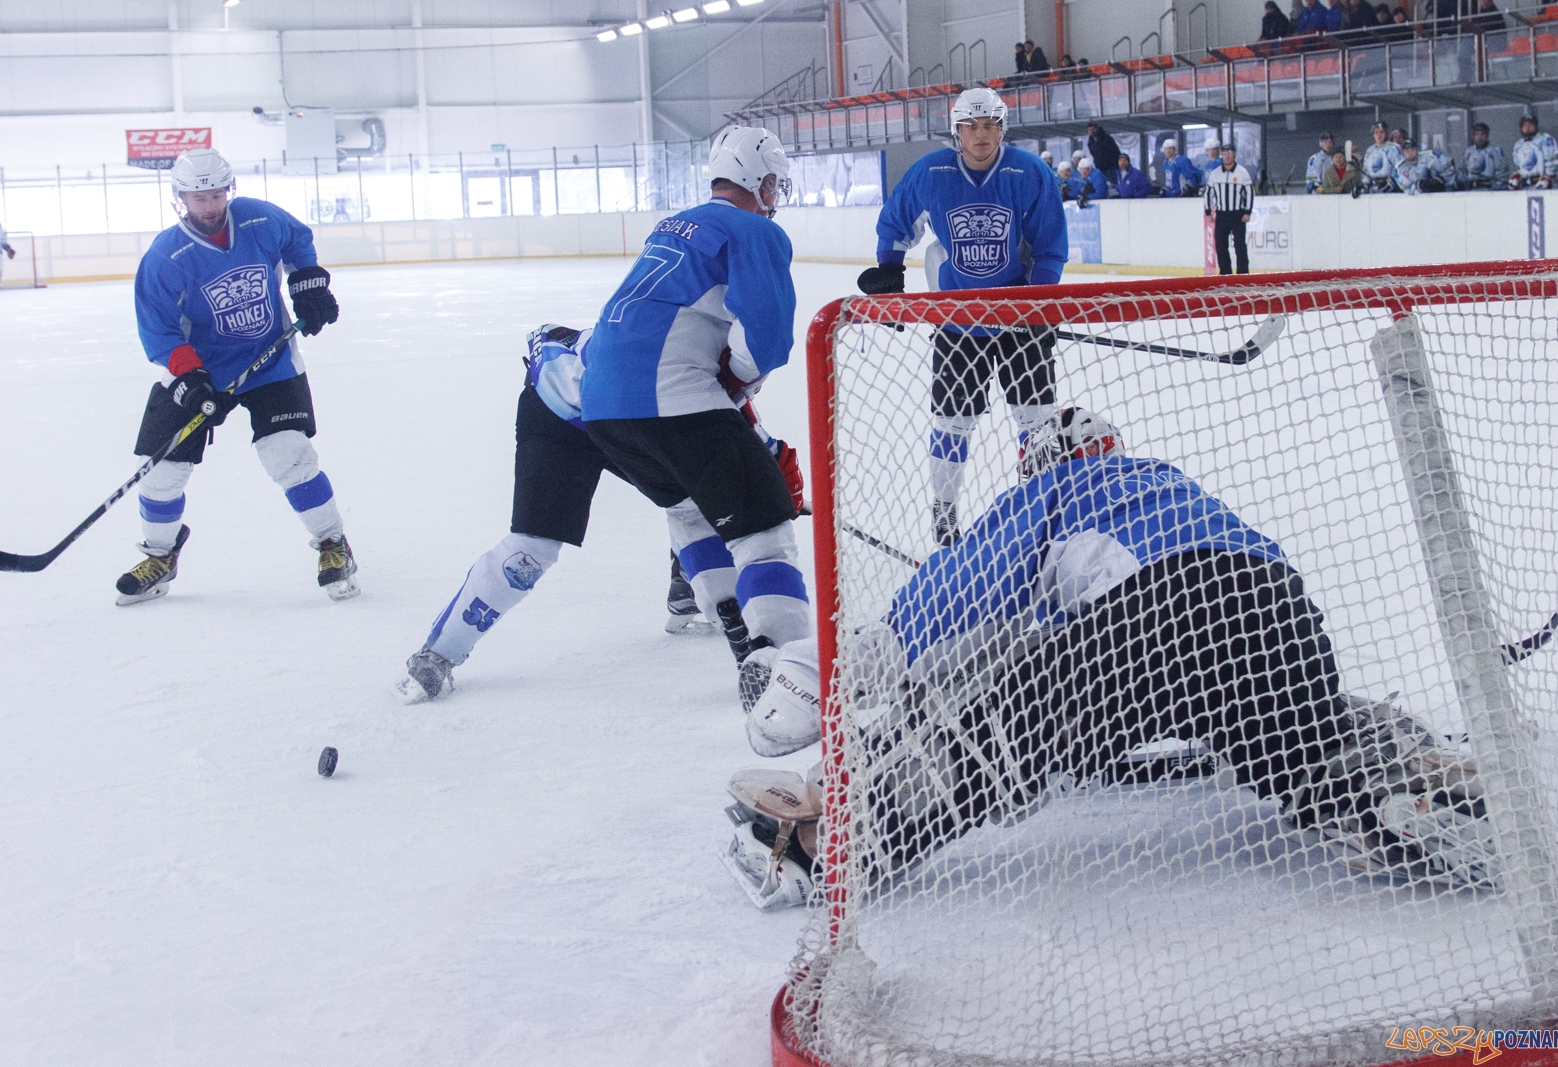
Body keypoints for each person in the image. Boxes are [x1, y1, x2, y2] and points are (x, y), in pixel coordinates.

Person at [736, 409, 1499, 894]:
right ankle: (1401, 783)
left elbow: (969, 587)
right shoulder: (1162, 482)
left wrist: (864, 655)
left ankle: (830, 841)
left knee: (1003, 733)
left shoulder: (1058, 487)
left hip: (1166, 613)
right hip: (1282, 609)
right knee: (1298, 744)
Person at [391, 323, 805, 702]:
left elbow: (739, 429)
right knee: (535, 545)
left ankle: (685, 594)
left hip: (611, 408)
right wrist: (771, 486)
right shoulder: (681, 373)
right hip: (563, 416)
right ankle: (438, 653)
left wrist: (768, 471)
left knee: (692, 497)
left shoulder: (689, 359)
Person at [577, 126, 811, 693]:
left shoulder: (674, 224)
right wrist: (735, 378)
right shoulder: (751, 228)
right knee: (764, 533)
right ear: (763, 180)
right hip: (673, 400)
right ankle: (790, 679)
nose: (776, 196)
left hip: (602, 406)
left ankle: (738, 639)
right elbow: (769, 338)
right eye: (775, 184)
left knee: (687, 513)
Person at [117, 146, 350, 607]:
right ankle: (161, 555)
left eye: (216, 194)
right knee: (162, 473)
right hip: (200, 369)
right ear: (179, 197)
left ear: (230, 189)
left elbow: (297, 240)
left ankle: (332, 543)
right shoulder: (166, 255)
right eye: (196, 197)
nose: (208, 206)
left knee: (289, 455)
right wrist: (190, 381)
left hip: (272, 359)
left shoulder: (258, 219)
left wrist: (308, 283)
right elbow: (159, 331)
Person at [858, 87, 1068, 547]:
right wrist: (890, 272)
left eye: (990, 125)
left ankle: (1042, 509)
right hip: (958, 323)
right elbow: (896, 221)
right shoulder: (931, 172)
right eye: (971, 126)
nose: (981, 135)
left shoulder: (1028, 171)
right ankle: (946, 510)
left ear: (1003, 128)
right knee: (953, 422)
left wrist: (1038, 303)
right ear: (956, 131)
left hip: (1019, 321)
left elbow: (1050, 243)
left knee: (1038, 421)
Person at [1204, 142, 1254, 276]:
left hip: (1237, 214)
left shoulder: (1242, 173)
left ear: (1235, 154)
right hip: (1221, 214)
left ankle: (1243, 274)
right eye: (1224, 154)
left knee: (1240, 246)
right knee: (1220, 246)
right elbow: (1209, 193)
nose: (1227, 156)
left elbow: (1249, 192)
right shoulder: (1215, 174)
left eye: (1229, 153)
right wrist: (1208, 212)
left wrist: (1247, 212)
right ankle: (1225, 273)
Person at [1511, 113, 1558, 189]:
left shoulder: (1545, 139)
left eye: (1530, 124)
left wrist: (1548, 177)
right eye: (1525, 125)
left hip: (1545, 185)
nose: (1527, 127)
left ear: (1536, 126)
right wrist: (1517, 177)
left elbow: (1553, 161)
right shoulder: (1518, 145)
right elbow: (1519, 166)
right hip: (1526, 187)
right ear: (1521, 128)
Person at [1462, 122, 1509, 188]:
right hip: (1471, 191)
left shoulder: (1495, 151)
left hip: (1490, 191)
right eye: (1476, 134)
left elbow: (1502, 174)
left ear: (1487, 135)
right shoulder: (1468, 152)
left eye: (1482, 134)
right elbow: (1462, 171)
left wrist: (1494, 185)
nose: (1479, 137)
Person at [1362, 121, 1403, 191]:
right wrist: (1364, 185)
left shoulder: (1394, 147)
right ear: (1373, 134)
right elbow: (1366, 170)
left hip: (1390, 187)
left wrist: (1395, 182)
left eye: (1382, 132)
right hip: (1373, 187)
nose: (1379, 135)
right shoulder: (1369, 150)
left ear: (1386, 133)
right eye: (1376, 132)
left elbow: (1400, 167)